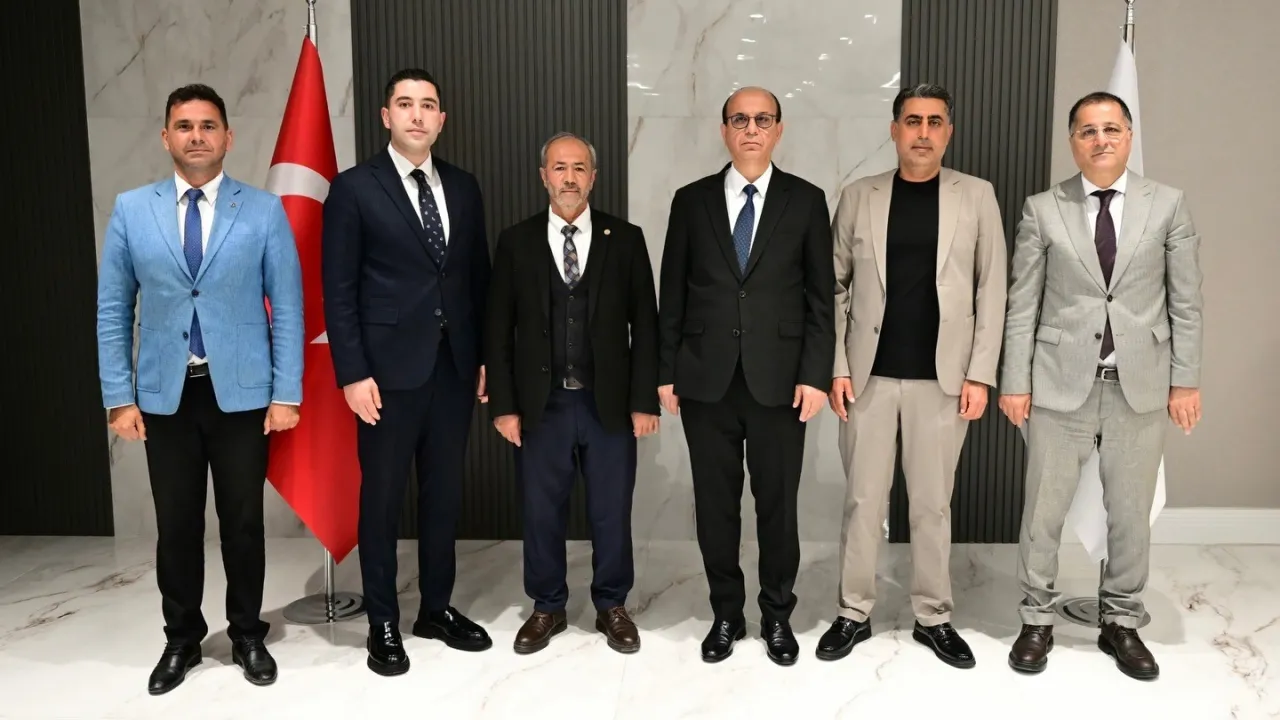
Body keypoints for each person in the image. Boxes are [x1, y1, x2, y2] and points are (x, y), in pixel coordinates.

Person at [96, 84, 304, 694]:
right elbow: (113, 309)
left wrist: (286, 392)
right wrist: (118, 396)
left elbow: (288, 307)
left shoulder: (262, 210)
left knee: (243, 522)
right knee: (177, 524)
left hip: (241, 394)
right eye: (184, 126)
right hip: (165, 396)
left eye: (208, 125)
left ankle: (247, 634)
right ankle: (182, 639)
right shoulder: (132, 209)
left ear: (228, 137)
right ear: (166, 136)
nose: (196, 136)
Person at [999, 91, 1204, 680]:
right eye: (1088, 130)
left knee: (1130, 515)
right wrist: (1015, 380)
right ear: (1073, 141)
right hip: (1059, 383)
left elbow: (1186, 303)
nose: (1101, 139)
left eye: (1111, 128)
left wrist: (1186, 381)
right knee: (1043, 511)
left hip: (1140, 385)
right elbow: (1022, 304)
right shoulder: (1043, 209)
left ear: (1129, 135)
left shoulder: (1168, 205)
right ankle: (1037, 618)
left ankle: (1121, 621)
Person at [820, 83, 1007, 668]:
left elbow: (992, 289)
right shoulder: (860, 196)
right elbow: (832, 286)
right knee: (862, 501)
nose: (923, 132)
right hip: (868, 378)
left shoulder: (976, 195)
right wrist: (837, 367)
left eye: (934, 121)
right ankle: (853, 612)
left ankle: (933, 616)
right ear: (894, 129)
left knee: (932, 505)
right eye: (912, 120)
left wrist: (980, 374)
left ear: (948, 131)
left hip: (943, 381)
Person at [321, 68, 492, 676]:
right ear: (386, 116)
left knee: (443, 495)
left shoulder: (464, 187)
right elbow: (338, 289)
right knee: (383, 499)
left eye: (428, 105)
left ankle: (436, 609)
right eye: (405, 104)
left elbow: (477, 280)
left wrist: (483, 358)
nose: (417, 115)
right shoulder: (353, 188)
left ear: (442, 119)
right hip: (384, 376)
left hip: (453, 369)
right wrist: (352, 372)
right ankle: (383, 620)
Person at [657, 86, 835, 666]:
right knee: (716, 506)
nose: (751, 129)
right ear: (724, 130)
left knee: (777, 505)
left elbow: (820, 298)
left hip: (780, 382)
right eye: (740, 119)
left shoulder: (806, 201)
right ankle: (726, 614)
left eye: (762, 119)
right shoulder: (691, 201)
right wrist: (666, 371)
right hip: (705, 379)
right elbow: (672, 292)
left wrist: (815, 374)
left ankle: (777, 614)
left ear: (779, 130)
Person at [485, 132, 659, 655]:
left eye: (579, 168)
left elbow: (646, 326)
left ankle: (612, 604)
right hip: (542, 405)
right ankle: (547, 605)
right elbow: (498, 329)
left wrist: (643, 400)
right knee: (542, 510)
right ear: (544, 176)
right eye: (559, 168)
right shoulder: (515, 242)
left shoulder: (624, 239)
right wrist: (505, 406)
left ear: (593, 177)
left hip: (608, 404)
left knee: (611, 509)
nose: (569, 178)